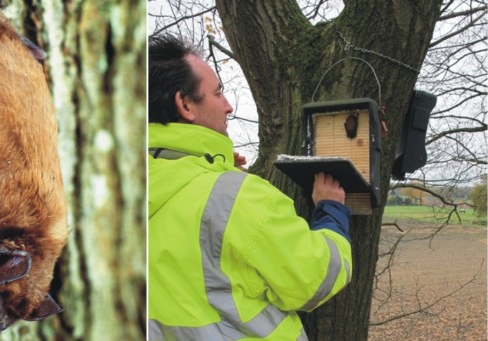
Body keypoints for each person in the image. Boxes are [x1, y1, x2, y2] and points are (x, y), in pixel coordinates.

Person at [147, 34, 353, 340]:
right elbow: (314, 278)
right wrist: (332, 212)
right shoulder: (237, 197)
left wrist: (210, 167)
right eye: (218, 94)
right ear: (185, 104)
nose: (228, 106)